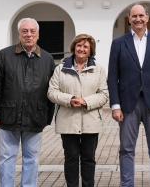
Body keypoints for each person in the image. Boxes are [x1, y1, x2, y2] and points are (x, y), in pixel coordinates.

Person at [107, 3, 150, 187]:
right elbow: (112, 77)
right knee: (126, 149)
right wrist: (115, 106)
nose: (138, 19)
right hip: (128, 104)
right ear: (129, 19)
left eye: (141, 16)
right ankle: (127, 184)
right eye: (134, 16)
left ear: (147, 18)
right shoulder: (118, 44)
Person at [0, 18, 56, 187]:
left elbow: (52, 89)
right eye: (25, 31)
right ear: (19, 34)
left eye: (32, 31)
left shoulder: (47, 59)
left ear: (38, 34)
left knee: (32, 158)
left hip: (35, 116)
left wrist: (48, 116)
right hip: (8, 116)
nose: (29, 35)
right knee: (7, 157)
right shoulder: (4, 55)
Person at [47, 34, 109, 187]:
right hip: (67, 122)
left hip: (91, 122)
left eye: (85, 47)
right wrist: (70, 99)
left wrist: (85, 101)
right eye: (79, 45)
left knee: (89, 159)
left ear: (90, 51)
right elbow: (51, 92)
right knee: (71, 159)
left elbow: (104, 94)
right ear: (74, 48)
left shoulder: (99, 70)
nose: (82, 49)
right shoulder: (60, 68)